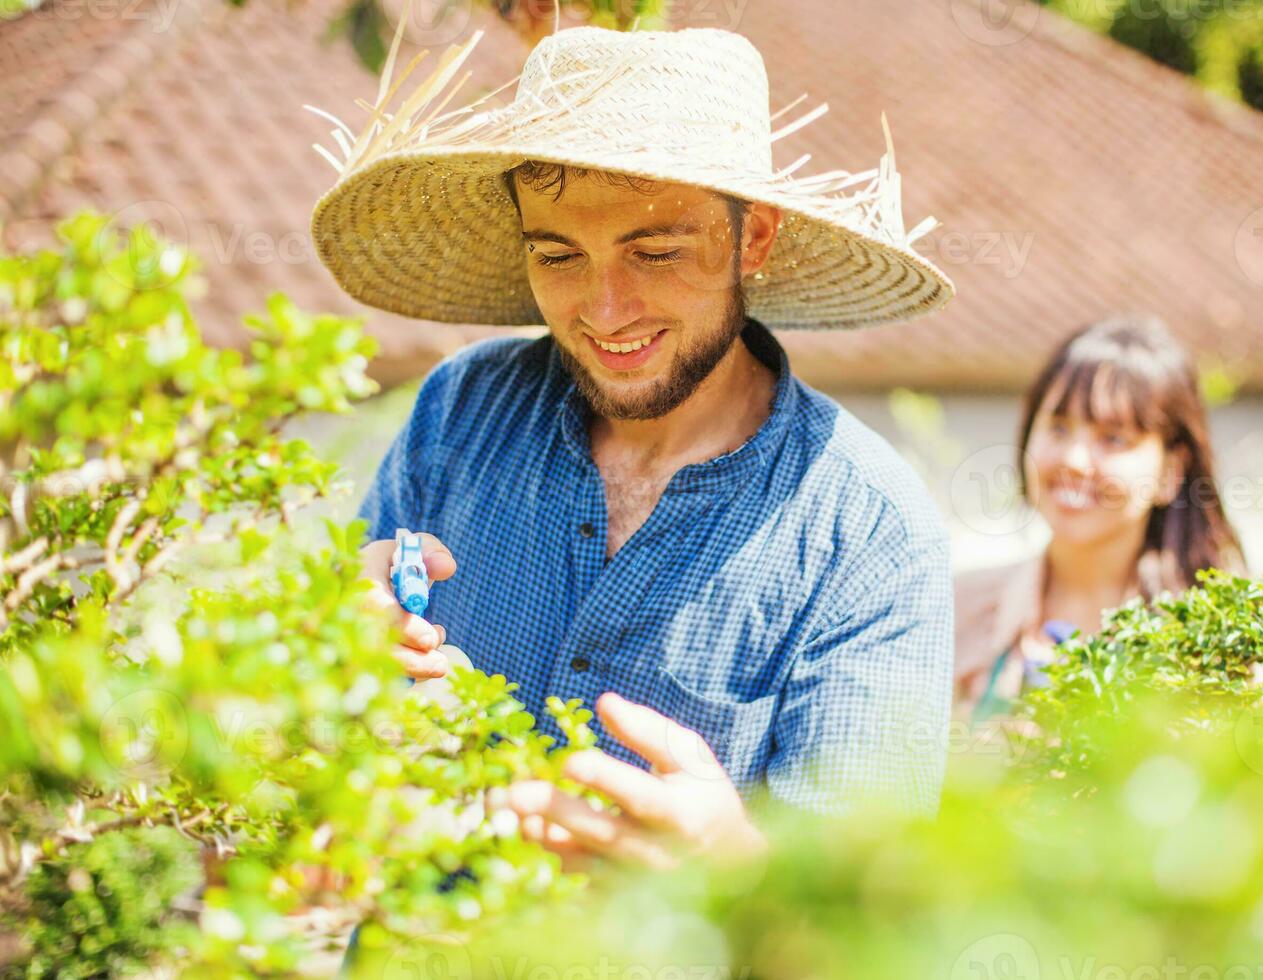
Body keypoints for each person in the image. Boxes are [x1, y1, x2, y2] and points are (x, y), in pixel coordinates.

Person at [308, 17, 957, 870]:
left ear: (752, 236)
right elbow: (324, 733)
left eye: (654, 251)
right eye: (558, 255)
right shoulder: (459, 411)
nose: (604, 311)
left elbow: (865, 917)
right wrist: (328, 645)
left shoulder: (869, 532)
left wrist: (732, 862)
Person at [953, 314, 1244, 725]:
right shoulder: (955, 610)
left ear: (1170, 472)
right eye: (1058, 427)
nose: (1074, 460)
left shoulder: (1216, 643)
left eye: (1114, 438)